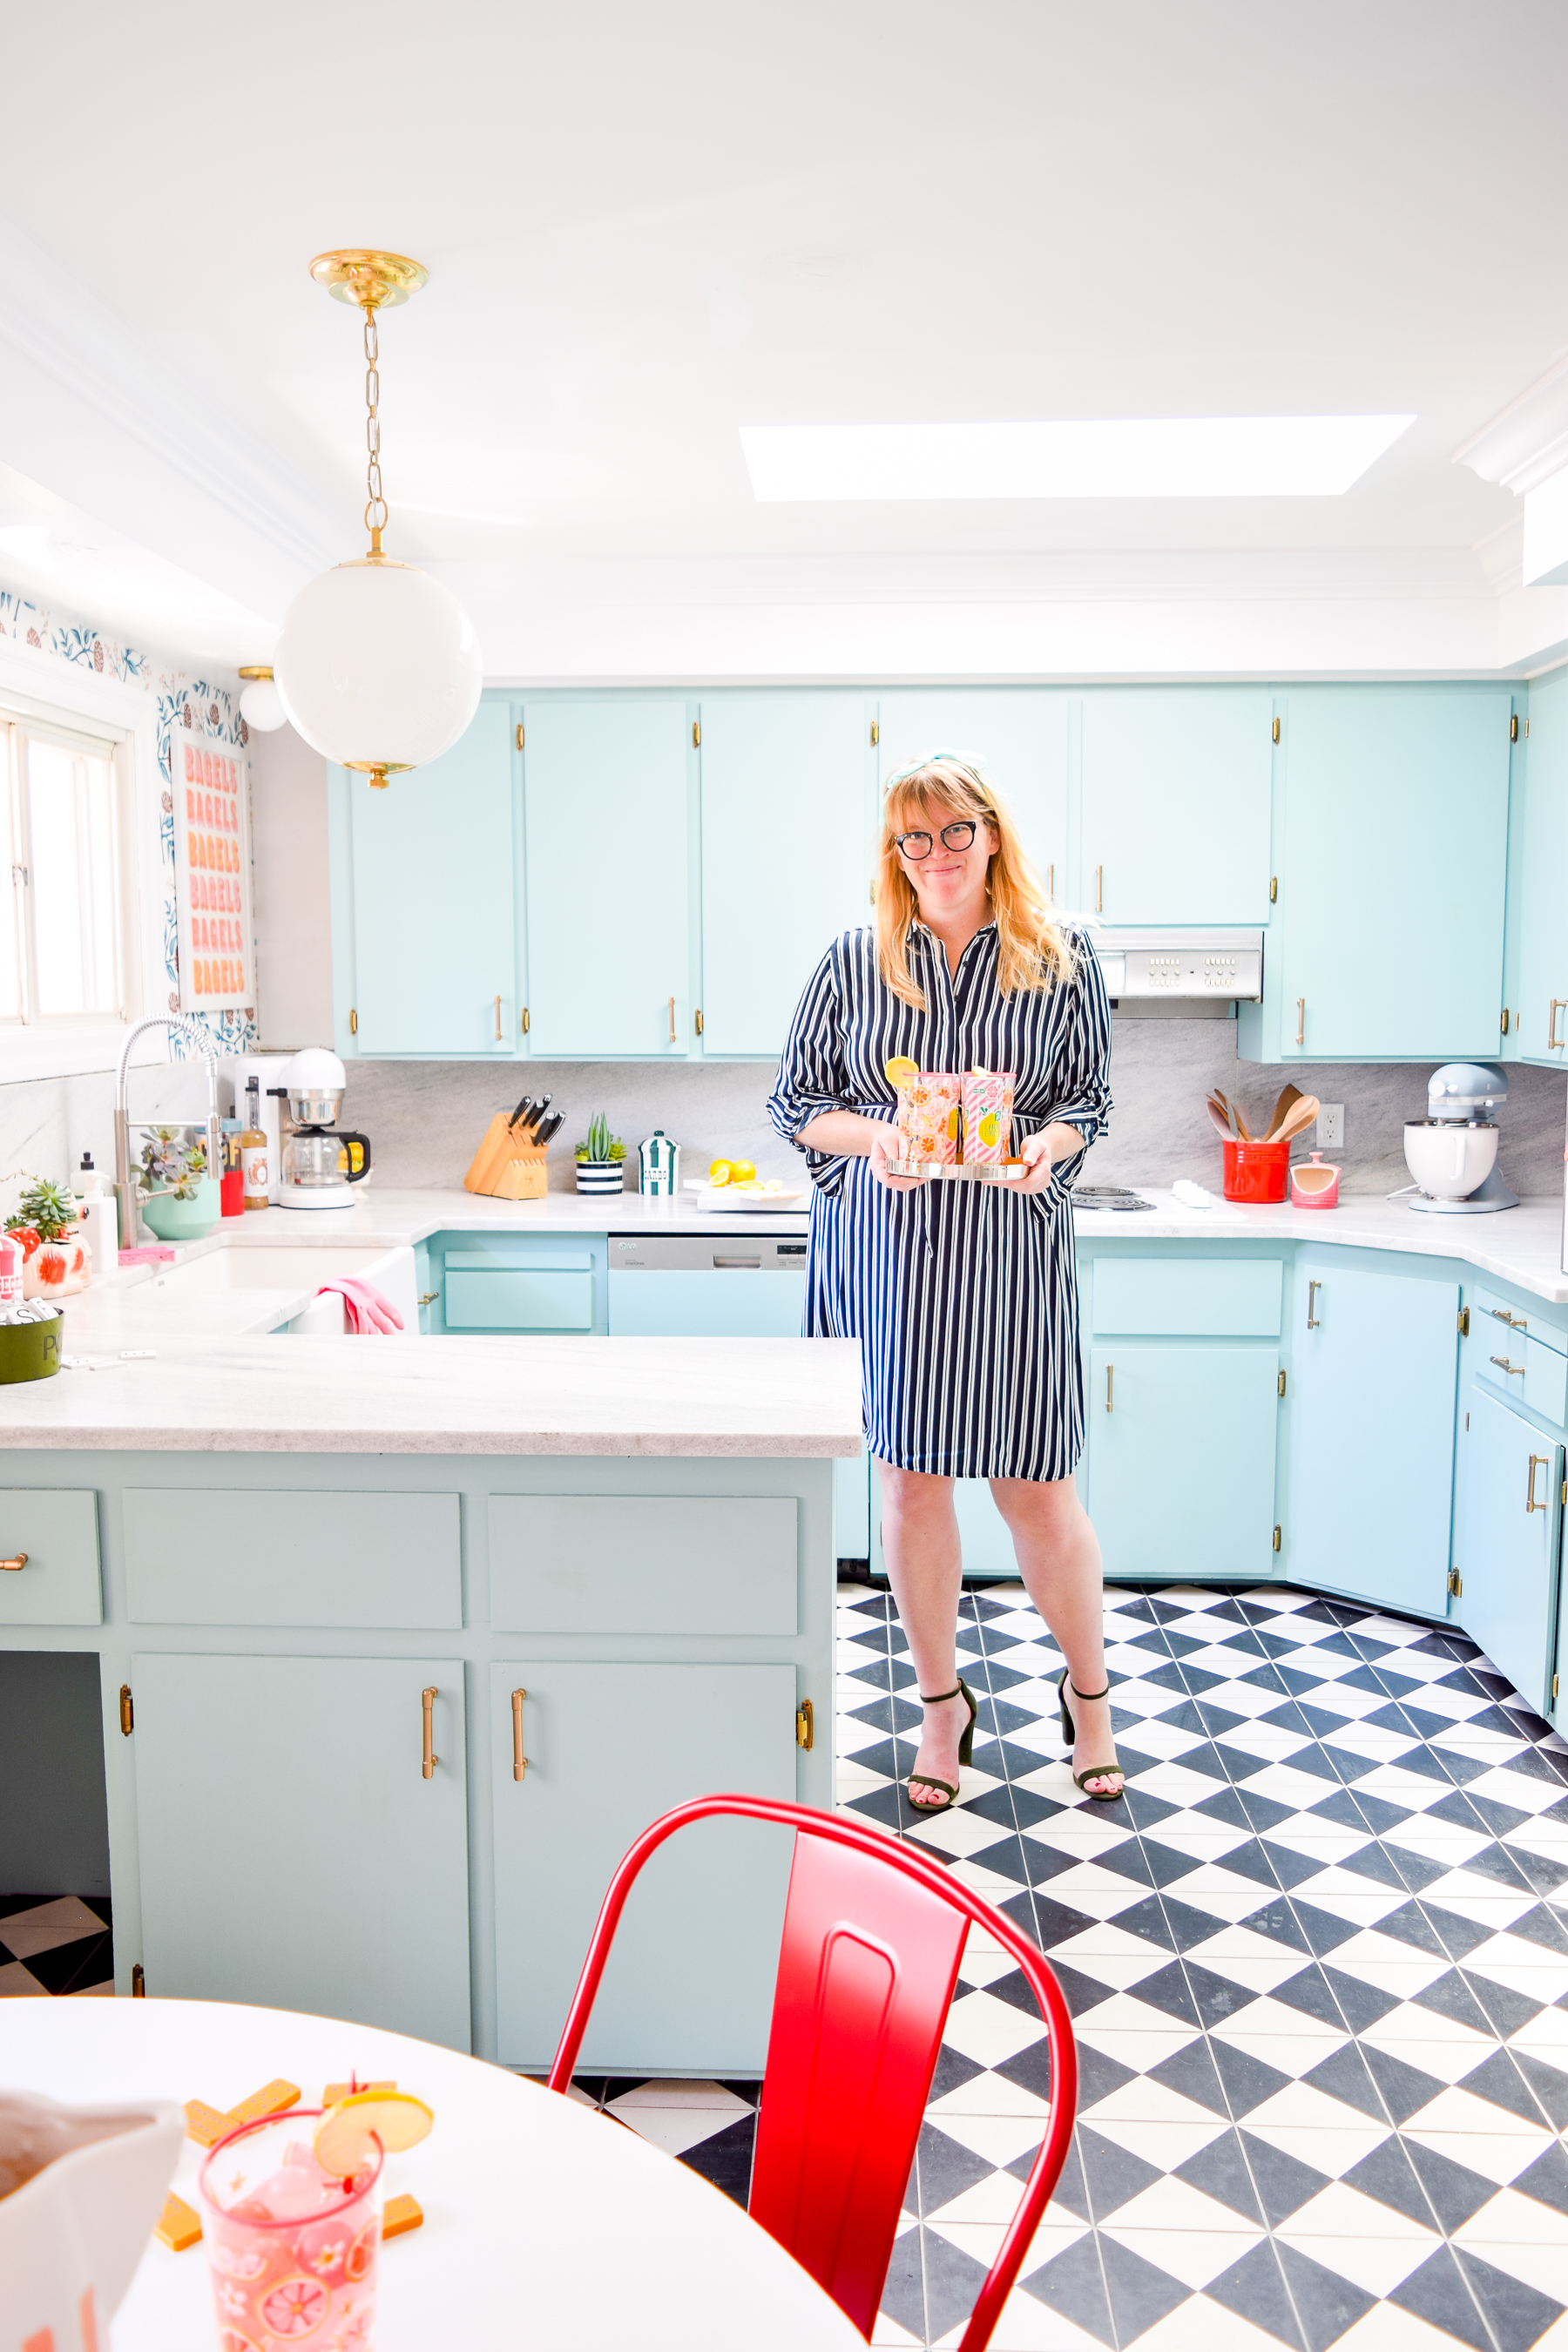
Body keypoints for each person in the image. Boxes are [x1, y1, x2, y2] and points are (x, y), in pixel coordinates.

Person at [767, 753, 1121, 1808]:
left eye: (953, 833)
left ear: (993, 836)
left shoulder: (1061, 959)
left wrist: (1045, 1150)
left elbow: (1089, 1104)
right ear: (896, 853)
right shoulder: (853, 960)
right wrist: (878, 1134)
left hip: (1011, 1259)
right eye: (913, 839)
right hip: (896, 1265)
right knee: (911, 1486)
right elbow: (797, 1103)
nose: (935, 856)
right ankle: (940, 1710)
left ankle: (1091, 1699)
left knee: (1039, 1494)